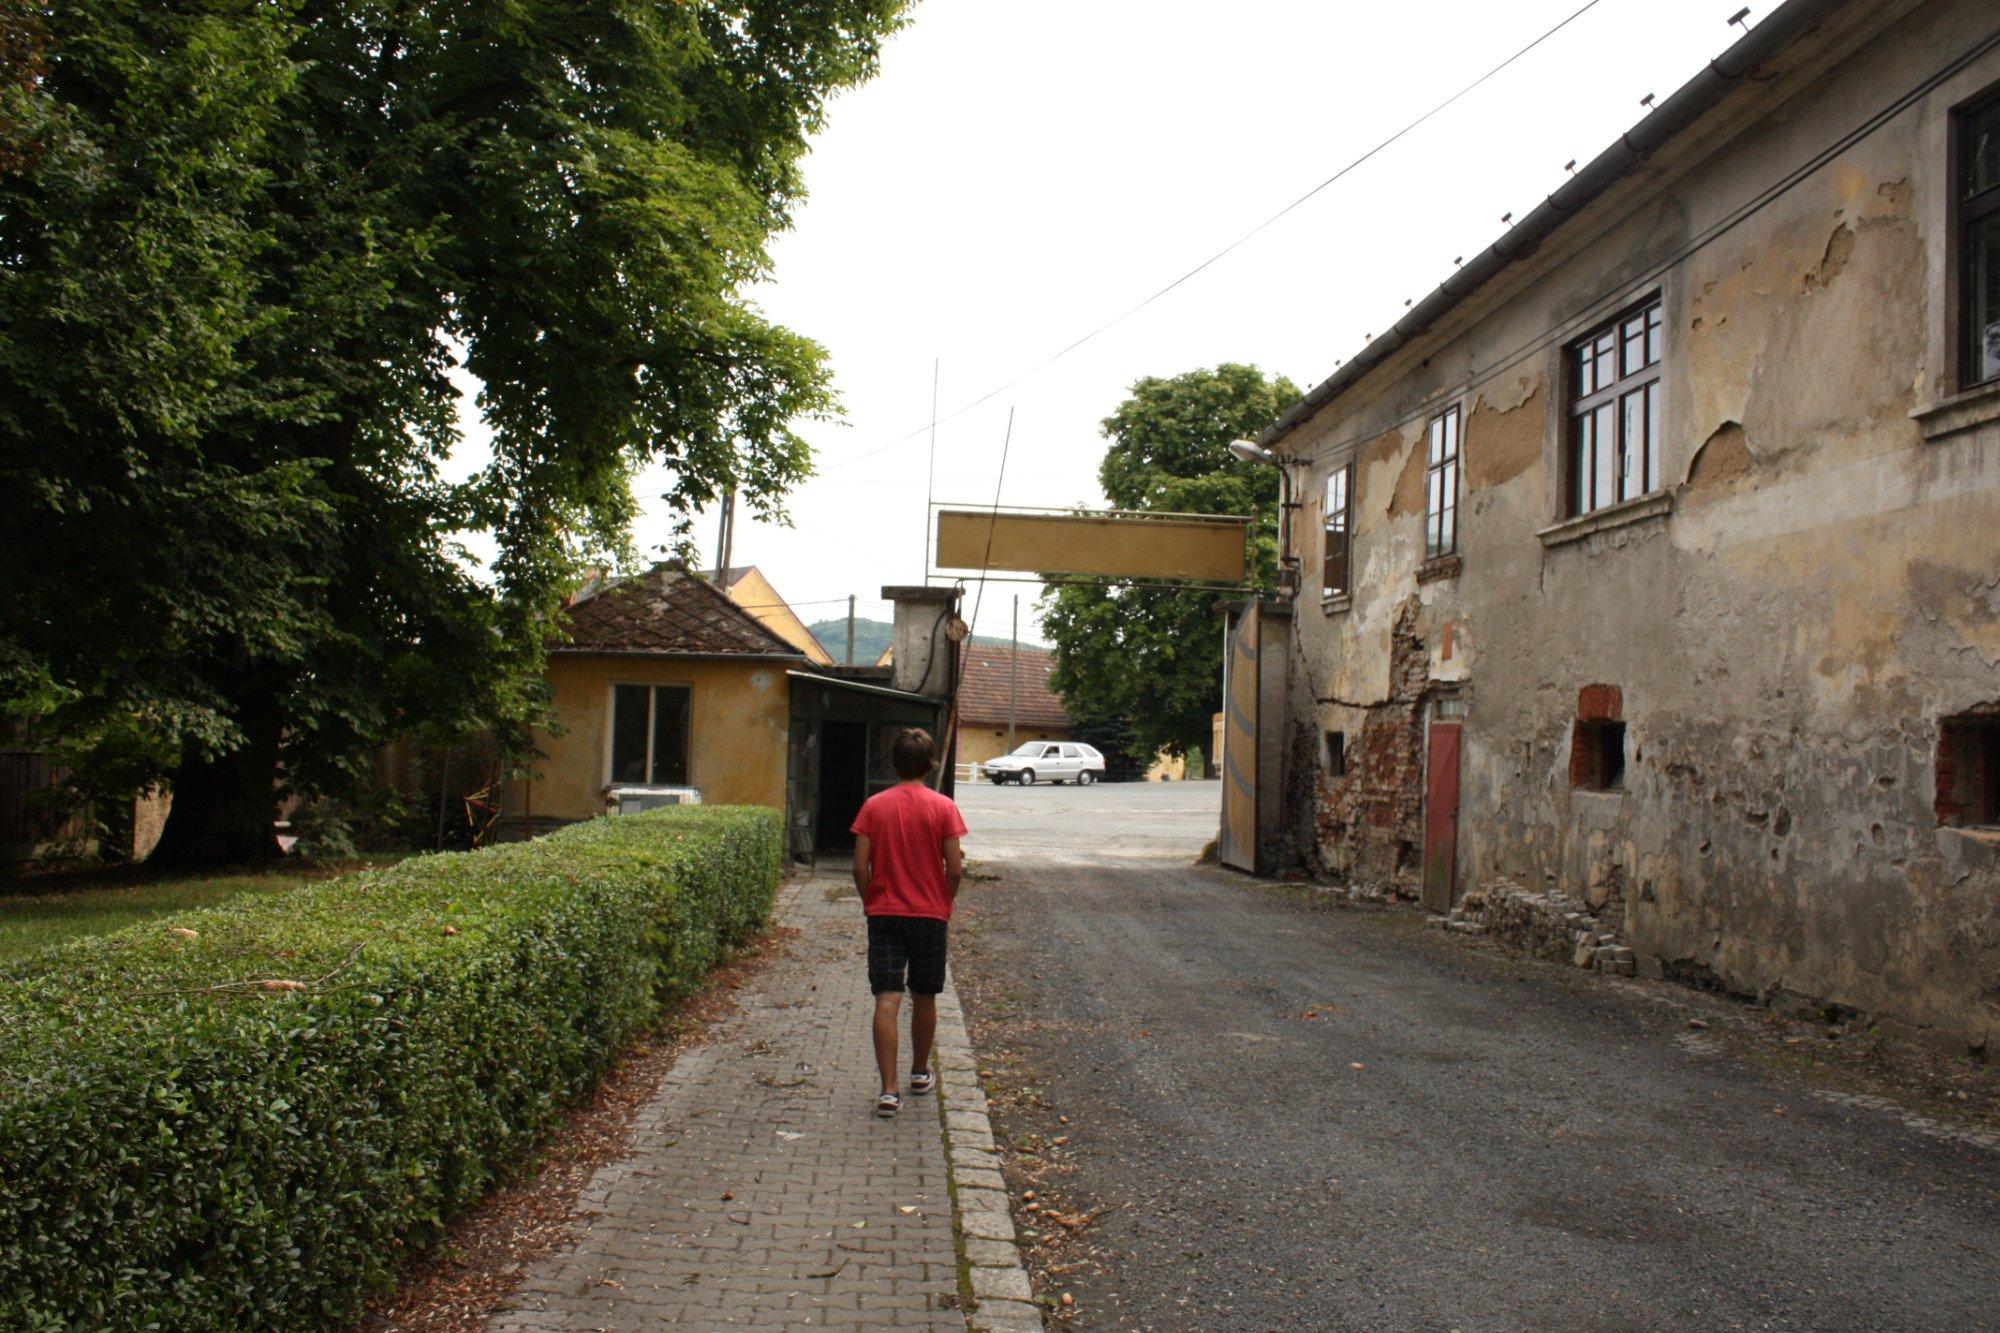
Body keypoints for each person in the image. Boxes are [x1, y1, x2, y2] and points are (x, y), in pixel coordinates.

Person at [850, 727, 967, 1119]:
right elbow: (954, 867)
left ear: (894, 763)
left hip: (884, 914)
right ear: (931, 764)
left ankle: (888, 1091)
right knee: (925, 995)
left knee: (887, 997)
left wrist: (871, 901)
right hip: (929, 916)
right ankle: (919, 1072)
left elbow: (858, 866)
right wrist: (943, 901)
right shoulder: (944, 807)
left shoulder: (873, 806)